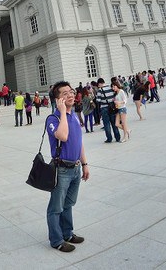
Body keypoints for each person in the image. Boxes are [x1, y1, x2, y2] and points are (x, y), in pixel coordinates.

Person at [46, 81, 90, 252]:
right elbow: (63, 136)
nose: (70, 95)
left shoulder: (74, 117)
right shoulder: (53, 118)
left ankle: (67, 233)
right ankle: (56, 240)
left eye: (70, 92)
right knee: (55, 207)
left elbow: (79, 143)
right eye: (64, 94)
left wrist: (85, 164)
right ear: (57, 100)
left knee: (68, 204)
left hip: (75, 168)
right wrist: (63, 112)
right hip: (61, 169)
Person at [95, 78, 120, 143]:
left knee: (106, 124)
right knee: (114, 123)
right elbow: (114, 96)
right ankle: (117, 137)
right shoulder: (110, 88)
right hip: (112, 107)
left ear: (99, 83)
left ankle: (109, 138)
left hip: (104, 108)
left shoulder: (100, 90)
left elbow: (98, 100)